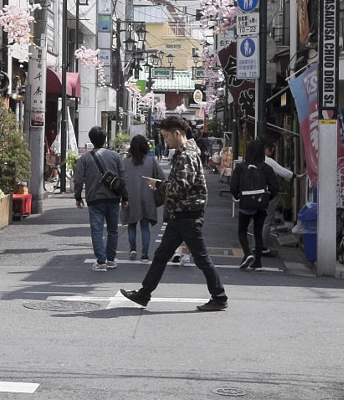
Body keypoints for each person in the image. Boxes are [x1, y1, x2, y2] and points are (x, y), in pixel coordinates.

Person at [121, 112, 228, 312]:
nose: (166, 141)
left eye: (167, 137)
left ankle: (219, 296)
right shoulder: (187, 152)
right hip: (183, 213)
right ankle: (144, 293)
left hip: (187, 213)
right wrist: (161, 184)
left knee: (201, 257)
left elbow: (181, 187)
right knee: (162, 255)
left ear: (177, 134)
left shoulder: (186, 155)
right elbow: (181, 185)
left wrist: (160, 186)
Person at [70, 125, 125, 270]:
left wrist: (77, 196)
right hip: (113, 198)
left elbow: (78, 179)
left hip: (94, 198)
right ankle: (111, 259)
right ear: (105, 140)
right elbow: (122, 177)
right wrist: (125, 197)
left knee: (97, 230)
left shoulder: (85, 158)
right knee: (113, 230)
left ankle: (101, 261)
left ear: (91, 140)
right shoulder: (115, 156)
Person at [230, 137, 281, 270]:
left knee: (242, 230)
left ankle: (247, 253)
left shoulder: (241, 167)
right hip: (260, 206)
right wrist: (265, 199)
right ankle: (257, 261)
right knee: (257, 232)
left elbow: (233, 186)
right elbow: (275, 187)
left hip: (245, 204)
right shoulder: (266, 168)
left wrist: (239, 197)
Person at [120, 132, 164, 262]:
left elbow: (120, 179)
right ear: (145, 146)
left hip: (130, 197)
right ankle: (145, 254)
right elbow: (161, 177)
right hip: (147, 197)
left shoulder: (125, 162)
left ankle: (132, 249)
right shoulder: (151, 161)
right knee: (145, 227)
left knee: (131, 225)